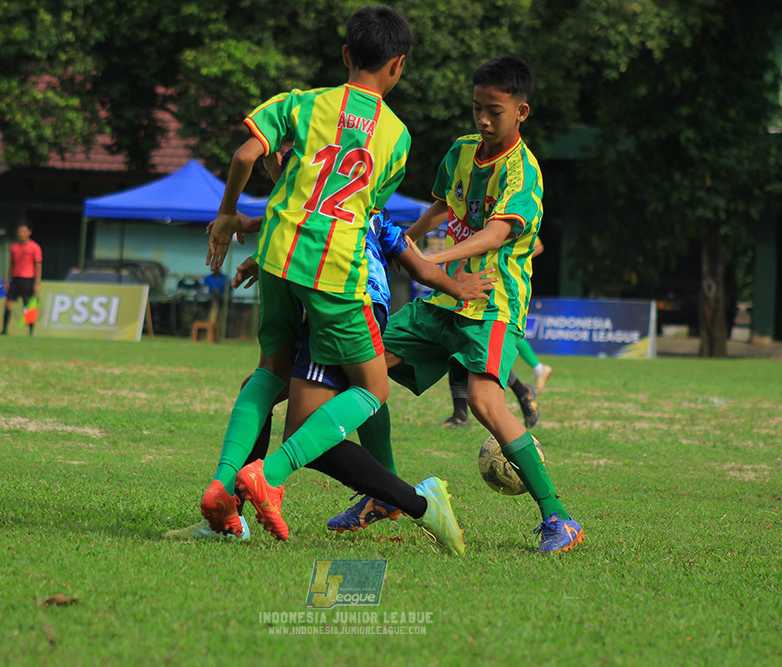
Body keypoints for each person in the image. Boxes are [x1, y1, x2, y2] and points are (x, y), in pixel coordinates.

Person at [198, 6, 473, 551]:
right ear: (397, 67)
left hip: (278, 256)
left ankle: (223, 484)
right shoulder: (397, 137)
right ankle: (268, 475)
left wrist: (229, 216)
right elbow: (365, 212)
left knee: (269, 369)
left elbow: (245, 154)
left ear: (346, 55)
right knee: (372, 391)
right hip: (337, 272)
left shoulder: (301, 104)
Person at [377, 55, 584, 553]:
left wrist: (431, 259)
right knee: (367, 368)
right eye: (477, 109)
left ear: (521, 112)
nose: (483, 120)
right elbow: (446, 204)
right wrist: (409, 236)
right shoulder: (461, 151)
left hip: (493, 301)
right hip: (448, 295)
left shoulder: (525, 173)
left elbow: (495, 232)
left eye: (494, 110)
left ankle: (559, 517)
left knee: (485, 400)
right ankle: (380, 491)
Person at [442, 238, 550, 428]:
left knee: (483, 352)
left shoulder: (507, 215)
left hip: (492, 290)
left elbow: (538, 246)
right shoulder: (463, 212)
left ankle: (524, 389)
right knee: (460, 346)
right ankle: (461, 413)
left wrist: (511, 261)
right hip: (459, 283)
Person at [1, 223, 42, 336]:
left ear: (29, 232)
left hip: (28, 279)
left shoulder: (35, 247)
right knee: (8, 303)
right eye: (20, 232)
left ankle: (31, 332)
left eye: (24, 231)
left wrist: (37, 283)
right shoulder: (14, 247)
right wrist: (7, 281)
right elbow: (12, 264)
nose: (21, 234)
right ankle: (4, 330)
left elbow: (38, 266)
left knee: (28, 306)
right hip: (15, 279)